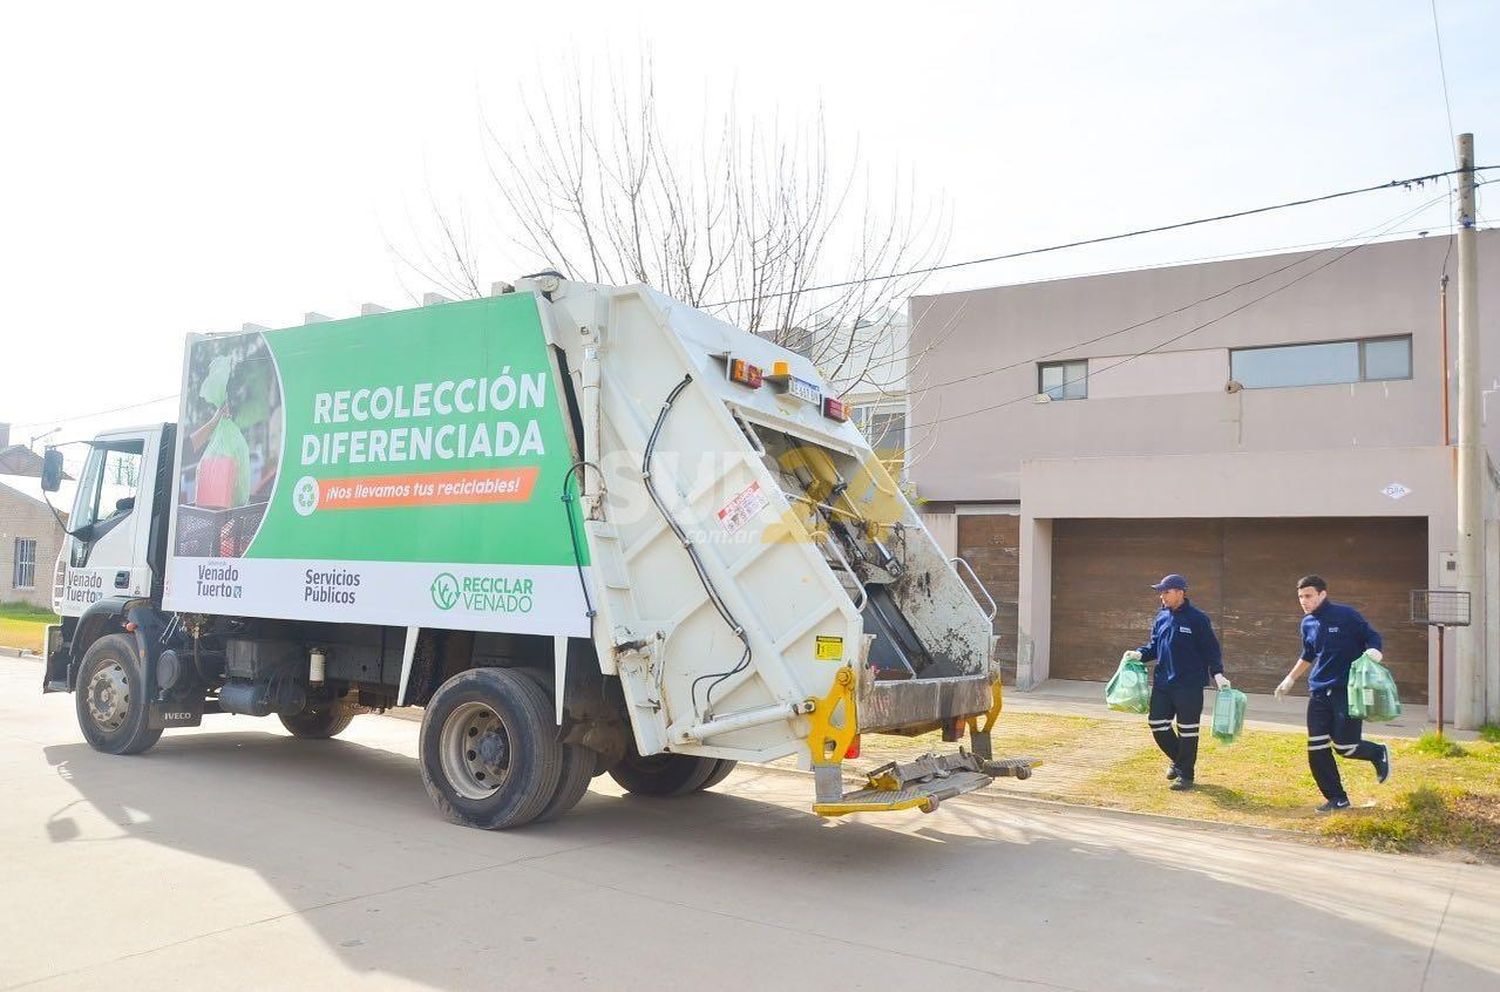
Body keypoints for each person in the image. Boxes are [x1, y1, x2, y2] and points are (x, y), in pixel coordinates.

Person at [1274, 574, 1392, 812]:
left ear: (1322, 594)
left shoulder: (1346, 615)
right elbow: (1308, 654)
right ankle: (1337, 798)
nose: (1303, 601)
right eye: (1300, 597)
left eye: (1308, 596)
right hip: (1318, 691)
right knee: (1316, 747)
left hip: (1347, 690)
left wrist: (1373, 653)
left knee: (1345, 747)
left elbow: (1373, 637)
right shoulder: (1307, 623)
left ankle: (1377, 752)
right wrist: (1290, 678)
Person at [1124, 574, 1229, 791]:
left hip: (1189, 685)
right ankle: (1180, 762)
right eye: (1161, 592)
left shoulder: (1198, 619)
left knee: (1188, 730)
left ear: (1180, 592)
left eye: (1166, 591)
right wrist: (1138, 654)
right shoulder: (1161, 616)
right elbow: (1154, 646)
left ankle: (1186, 776)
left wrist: (1217, 674)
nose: (1162, 596)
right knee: (1157, 724)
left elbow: (1211, 649)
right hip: (1163, 683)